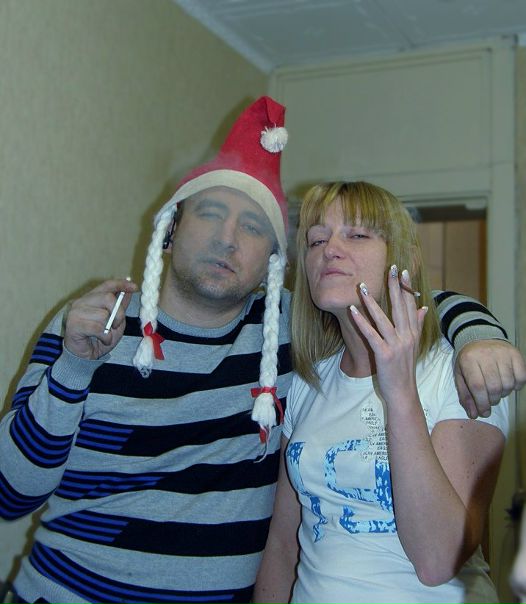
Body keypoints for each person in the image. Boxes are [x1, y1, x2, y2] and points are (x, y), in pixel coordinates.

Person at [0, 99, 523, 604]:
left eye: (253, 227)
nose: (227, 239)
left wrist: (479, 335)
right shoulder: (94, 326)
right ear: (171, 229)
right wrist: (73, 368)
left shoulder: (287, 335)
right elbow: (9, 493)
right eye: (210, 214)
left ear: (273, 259)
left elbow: (408, 296)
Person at [254, 181, 511, 604]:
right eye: (317, 240)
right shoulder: (306, 384)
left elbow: (438, 559)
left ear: (405, 258)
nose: (330, 249)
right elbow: (284, 545)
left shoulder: (458, 372)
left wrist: (399, 391)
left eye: (357, 234)